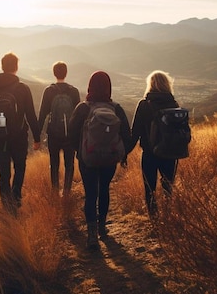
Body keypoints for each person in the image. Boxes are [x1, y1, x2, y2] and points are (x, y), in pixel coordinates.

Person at [68, 71, 133, 249]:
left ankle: (91, 236)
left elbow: (71, 135)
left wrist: (80, 152)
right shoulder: (116, 108)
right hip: (109, 159)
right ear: (108, 87)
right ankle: (103, 229)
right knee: (104, 190)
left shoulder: (82, 108)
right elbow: (128, 137)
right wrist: (120, 154)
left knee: (90, 194)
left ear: (90, 86)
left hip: (87, 159)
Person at [0, 52, 41, 212]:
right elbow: (31, 115)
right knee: (19, 167)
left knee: (3, 173)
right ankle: (16, 198)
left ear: (2, 67)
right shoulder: (22, 89)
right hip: (18, 138)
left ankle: (7, 206)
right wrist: (37, 137)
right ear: (16, 67)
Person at [131, 70, 181, 217]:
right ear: (167, 85)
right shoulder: (174, 104)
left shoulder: (144, 105)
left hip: (150, 154)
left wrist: (124, 153)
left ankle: (154, 219)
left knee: (150, 188)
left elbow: (135, 133)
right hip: (170, 153)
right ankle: (169, 217)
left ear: (150, 85)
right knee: (168, 187)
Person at [38, 61, 81, 196]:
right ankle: (67, 192)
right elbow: (79, 115)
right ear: (66, 73)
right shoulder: (73, 91)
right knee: (69, 164)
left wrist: (36, 136)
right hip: (70, 135)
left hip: (53, 134)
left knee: (54, 164)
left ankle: (55, 192)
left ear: (54, 73)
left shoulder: (49, 91)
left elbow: (42, 114)